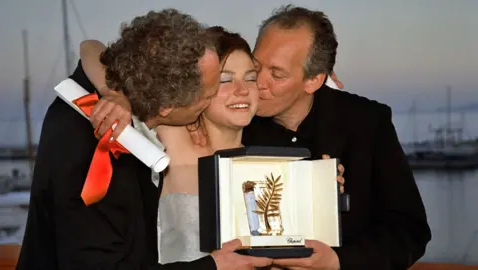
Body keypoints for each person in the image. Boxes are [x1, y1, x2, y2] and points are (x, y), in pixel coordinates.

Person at [92, 5, 432, 270]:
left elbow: (408, 230)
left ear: (313, 80)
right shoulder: (230, 119)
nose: (256, 85)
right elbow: (95, 51)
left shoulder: (365, 122)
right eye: (258, 67)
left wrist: (338, 261)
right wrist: (118, 93)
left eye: (276, 74)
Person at [16, 9, 273, 270]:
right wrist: (213, 266)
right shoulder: (98, 157)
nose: (210, 101)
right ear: (167, 107)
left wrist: (110, 90)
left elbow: (91, 51)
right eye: (207, 96)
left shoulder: (92, 94)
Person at [79, 25, 346, 265]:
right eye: (225, 79)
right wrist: (114, 93)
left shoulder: (271, 160)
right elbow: (90, 47)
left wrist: (318, 193)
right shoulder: (169, 136)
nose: (242, 89)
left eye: (250, 77)